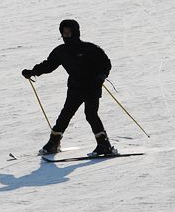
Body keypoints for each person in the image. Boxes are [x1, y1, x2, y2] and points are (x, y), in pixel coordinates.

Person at [21, 19, 117, 157]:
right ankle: (53, 143)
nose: (66, 35)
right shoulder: (61, 51)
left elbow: (105, 63)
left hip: (92, 86)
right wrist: (32, 72)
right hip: (75, 87)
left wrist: (101, 76)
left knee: (91, 114)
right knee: (65, 115)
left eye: (69, 32)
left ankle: (104, 145)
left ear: (75, 32)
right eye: (64, 32)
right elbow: (49, 65)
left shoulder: (89, 48)